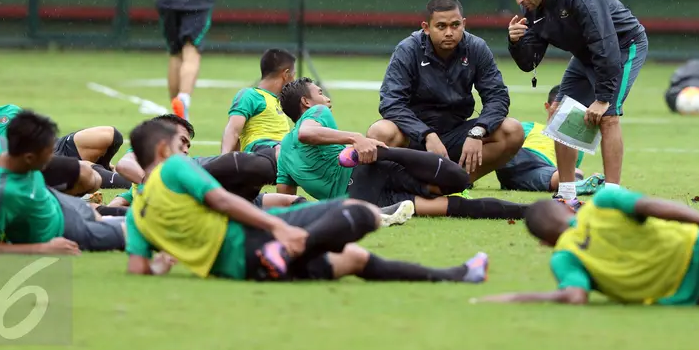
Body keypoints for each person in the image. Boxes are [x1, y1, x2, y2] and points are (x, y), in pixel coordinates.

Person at [124, 118, 489, 283]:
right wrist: (279, 229)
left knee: (355, 260)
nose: (182, 152)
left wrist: (164, 264)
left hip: (239, 269)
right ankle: (286, 250)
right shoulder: (172, 170)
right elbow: (221, 200)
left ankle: (457, 275)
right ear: (161, 149)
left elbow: (139, 270)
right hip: (252, 242)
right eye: (177, 145)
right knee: (361, 212)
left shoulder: (136, 214)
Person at [505, 0, 648, 207]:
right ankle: (567, 195)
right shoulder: (532, 6)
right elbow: (530, 62)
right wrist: (516, 42)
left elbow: (605, 44)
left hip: (623, 47)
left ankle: (612, 196)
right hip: (586, 54)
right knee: (559, 113)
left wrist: (603, 98)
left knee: (609, 117)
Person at [277, 77, 528, 221]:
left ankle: (529, 211)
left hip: (364, 199)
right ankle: (384, 151)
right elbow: (306, 133)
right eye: (321, 93)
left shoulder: (284, 156)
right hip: (371, 174)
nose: (327, 99)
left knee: (450, 205)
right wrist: (355, 138)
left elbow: (286, 200)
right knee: (458, 182)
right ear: (306, 102)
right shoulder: (316, 113)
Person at [471, 187, 699, 306]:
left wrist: (513, 297)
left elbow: (574, 296)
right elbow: (652, 205)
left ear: (545, 242)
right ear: (569, 211)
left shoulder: (565, 258)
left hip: (698, 290)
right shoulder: (602, 204)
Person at [368, 0, 524, 187]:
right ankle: (404, 185)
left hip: (456, 134)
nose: (449, 32)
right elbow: (391, 102)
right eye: (441, 26)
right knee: (380, 132)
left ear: (464, 24)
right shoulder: (408, 49)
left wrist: (477, 131)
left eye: (455, 25)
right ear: (426, 27)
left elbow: (497, 97)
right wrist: (426, 135)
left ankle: (456, 183)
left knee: (513, 130)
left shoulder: (477, 48)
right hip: (412, 136)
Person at [0, 110, 125, 255]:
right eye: (48, 154)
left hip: (59, 202)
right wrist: (43, 248)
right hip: (66, 231)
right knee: (133, 231)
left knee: (111, 218)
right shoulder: (2, 193)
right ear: (29, 158)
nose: (52, 157)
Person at [0, 65, 130, 190]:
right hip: (35, 162)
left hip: (53, 146)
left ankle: (105, 168)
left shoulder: (10, 111)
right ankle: (136, 184)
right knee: (83, 165)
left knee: (110, 134)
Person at [115, 113, 300, 207]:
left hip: (218, 189)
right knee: (261, 163)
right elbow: (124, 165)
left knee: (291, 201)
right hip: (212, 190)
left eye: (188, 145)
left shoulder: (180, 169)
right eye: (182, 141)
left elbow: (122, 201)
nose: (186, 149)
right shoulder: (149, 152)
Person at [495, 84, 605, 194]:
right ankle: (584, 185)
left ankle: (584, 185)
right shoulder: (531, 126)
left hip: (540, 171)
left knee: (574, 173)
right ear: (548, 107)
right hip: (520, 155)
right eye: (561, 110)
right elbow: (508, 139)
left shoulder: (574, 142)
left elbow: (567, 170)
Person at [220, 49, 295, 159]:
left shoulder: (279, 102)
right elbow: (233, 130)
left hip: (281, 153)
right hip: (262, 152)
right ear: (286, 74)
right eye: (293, 75)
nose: (294, 80)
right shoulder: (250, 95)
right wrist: (222, 161)